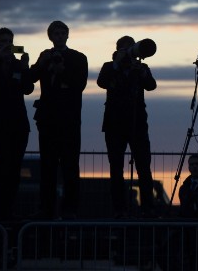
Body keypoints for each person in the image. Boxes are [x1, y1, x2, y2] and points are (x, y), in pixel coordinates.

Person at [29, 21, 88, 219]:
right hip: (48, 119)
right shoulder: (45, 56)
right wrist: (42, 63)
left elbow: (79, 84)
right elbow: (30, 78)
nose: (60, 36)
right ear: (51, 36)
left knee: (71, 165)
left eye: (63, 33)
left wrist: (63, 70)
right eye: (56, 33)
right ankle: (46, 208)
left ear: (68, 35)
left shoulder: (78, 58)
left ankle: (70, 208)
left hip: (70, 119)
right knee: (48, 166)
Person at [97, 36, 157, 217]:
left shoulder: (141, 68)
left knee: (144, 168)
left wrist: (142, 72)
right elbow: (102, 82)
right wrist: (117, 63)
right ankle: (119, 209)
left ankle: (148, 208)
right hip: (114, 124)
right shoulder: (109, 66)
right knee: (116, 169)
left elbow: (151, 86)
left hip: (137, 123)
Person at [0, 28, 34, 221]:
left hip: (18, 123)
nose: (7, 44)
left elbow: (28, 89)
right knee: (2, 162)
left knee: (14, 167)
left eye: (10, 41)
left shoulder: (16, 64)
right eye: (3, 41)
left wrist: (25, 68)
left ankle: (7, 209)